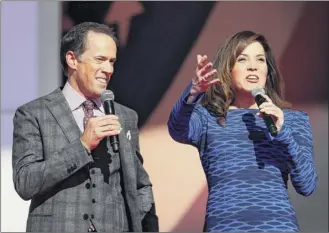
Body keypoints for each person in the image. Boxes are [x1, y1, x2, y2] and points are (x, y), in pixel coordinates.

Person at [12, 22, 158, 232]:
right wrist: (82, 145)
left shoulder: (125, 116)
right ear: (72, 59)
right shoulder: (34, 113)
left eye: (112, 62)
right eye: (100, 59)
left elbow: (140, 185)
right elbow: (25, 182)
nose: (108, 69)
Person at [167, 30, 317, 232]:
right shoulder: (207, 118)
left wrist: (283, 132)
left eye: (260, 60)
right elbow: (177, 128)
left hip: (277, 226)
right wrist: (193, 92)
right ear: (228, 69)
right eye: (242, 59)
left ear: (268, 70)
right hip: (224, 226)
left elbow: (306, 185)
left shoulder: (292, 120)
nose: (253, 66)